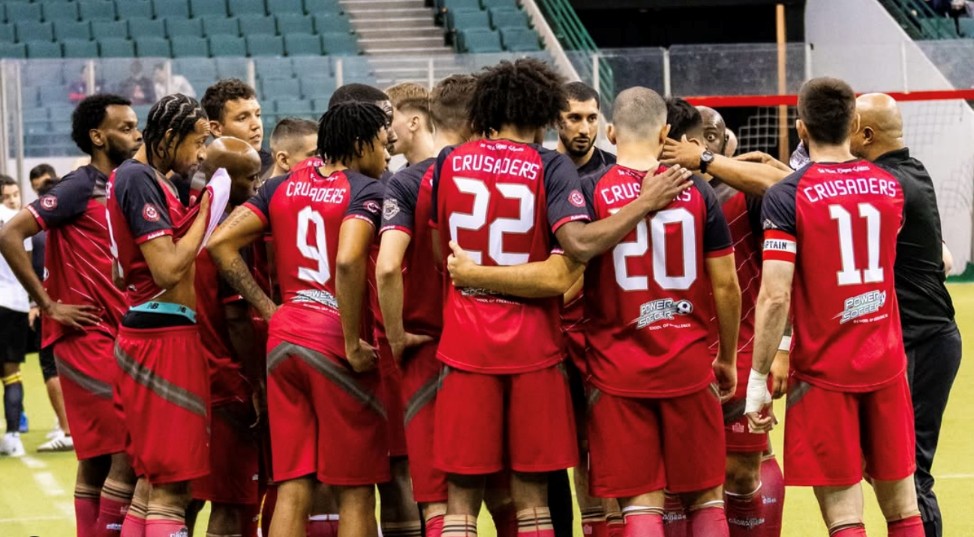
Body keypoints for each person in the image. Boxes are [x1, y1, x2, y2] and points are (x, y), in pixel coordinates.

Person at [430, 59, 692, 537]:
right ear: (545, 110)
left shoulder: (449, 162)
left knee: (461, 503)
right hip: (533, 348)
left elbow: (439, 255)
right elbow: (568, 262)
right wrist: (646, 202)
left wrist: (472, 277)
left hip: (465, 345)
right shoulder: (548, 166)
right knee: (533, 501)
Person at [745, 78, 924, 537]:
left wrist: (759, 378)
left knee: (846, 516)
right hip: (885, 364)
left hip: (825, 373)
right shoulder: (890, 187)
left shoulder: (788, 195)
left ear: (801, 129)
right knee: (904, 508)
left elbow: (775, 295)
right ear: (855, 123)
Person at [207, 102, 391, 537]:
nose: (386, 157)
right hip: (334, 343)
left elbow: (220, 243)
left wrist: (269, 310)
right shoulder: (367, 190)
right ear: (361, 144)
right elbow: (347, 262)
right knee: (356, 488)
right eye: (382, 147)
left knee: (292, 484)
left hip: (285, 338)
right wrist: (350, 340)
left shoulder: (281, 187)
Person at [0, 94, 144, 535]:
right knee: (120, 450)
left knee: (101, 455)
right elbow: (10, 232)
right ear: (98, 137)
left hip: (117, 333)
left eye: (137, 125)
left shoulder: (127, 184)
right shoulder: (81, 185)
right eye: (125, 126)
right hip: (85, 335)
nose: (136, 133)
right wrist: (47, 303)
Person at [850, 93, 963, 537]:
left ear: (865, 134)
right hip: (914, 341)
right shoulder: (905, 172)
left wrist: (710, 162)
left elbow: (802, 190)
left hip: (924, 343)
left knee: (909, 472)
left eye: (850, 125)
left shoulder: (888, 181)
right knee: (881, 464)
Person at [106, 93, 219, 537]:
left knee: (153, 485)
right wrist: (207, 210)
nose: (200, 154)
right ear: (169, 137)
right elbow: (168, 268)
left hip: (153, 328)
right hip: (162, 336)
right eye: (195, 142)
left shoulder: (148, 177)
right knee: (173, 487)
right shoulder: (137, 179)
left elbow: (120, 271)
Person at [376, 74, 476, 537]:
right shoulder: (483, 173)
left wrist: (395, 336)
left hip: (424, 347)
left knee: (436, 496)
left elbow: (386, 268)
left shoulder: (405, 183)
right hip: (484, 341)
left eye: (390, 122)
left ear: (416, 120)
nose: (386, 133)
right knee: (509, 493)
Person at [189, 137, 263, 537]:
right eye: (250, 177)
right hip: (227, 379)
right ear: (225, 178)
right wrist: (254, 382)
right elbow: (236, 317)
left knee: (190, 496)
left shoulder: (188, 218)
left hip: (193, 372)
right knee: (231, 503)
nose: (256, 185)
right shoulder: (228, 235)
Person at [553, 80, 617, 537]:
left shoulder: (614, 175)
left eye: (592, 117)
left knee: (612, 442)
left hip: (607, 329)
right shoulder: (539, 171)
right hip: (554, 332)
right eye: (574, 117)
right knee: (571, 446)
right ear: (555, 119)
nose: (585, 127)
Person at [24, 163, 75, 453]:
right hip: (75, 305)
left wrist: (39, 303)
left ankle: (67, 430)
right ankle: (70, 426)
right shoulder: (72, 226)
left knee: (50, 365)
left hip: (56, 308)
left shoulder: (44, 232)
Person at [0, 176, 29, 458]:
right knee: (11, 375)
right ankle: (12, 437)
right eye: (8, 195)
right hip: (13, 304)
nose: (13, 199)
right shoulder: (19, 221)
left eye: (15, 194)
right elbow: (28, 265)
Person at [202, 79, 273, 177]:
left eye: (258, 114)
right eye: (242, 118)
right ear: (216, 128)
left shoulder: (276, 171)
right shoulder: (196, 176)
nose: (256, 125)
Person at [556, 82, 616, 177]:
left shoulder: (614, 171)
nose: (584, 130)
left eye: (592, 118)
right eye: (575, 118)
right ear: (557, 120)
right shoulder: (541, 171)